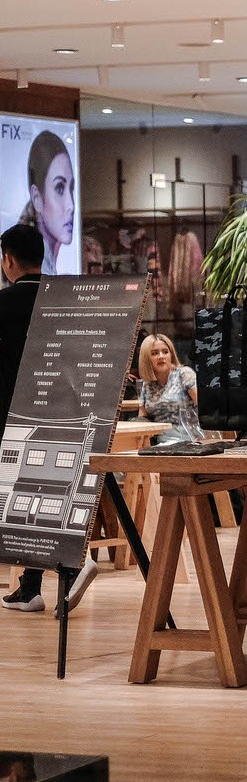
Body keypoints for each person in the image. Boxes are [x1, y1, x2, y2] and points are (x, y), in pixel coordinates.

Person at [0, 224, 96, 614]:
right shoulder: (69, 300)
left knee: (22, 497)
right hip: (69, 414)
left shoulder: (4, 304)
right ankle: (31, 587)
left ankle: (72, 564)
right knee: (47, 491)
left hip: (15, 417)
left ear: (8, 259)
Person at [20, 131, 75, 274]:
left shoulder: (43, 266)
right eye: (59, 188)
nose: (71, 206)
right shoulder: (31, 270)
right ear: (37, 198)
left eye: (71, 188)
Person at [137, 333, 203, 444]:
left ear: (171, 355)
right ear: (146, 359)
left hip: (188, 438)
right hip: (158, 440)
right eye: (154, 353)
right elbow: (142, 418)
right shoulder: (147, 384)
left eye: (165, 352)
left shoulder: (184, 374)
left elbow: (205, 409)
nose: (161, 356)